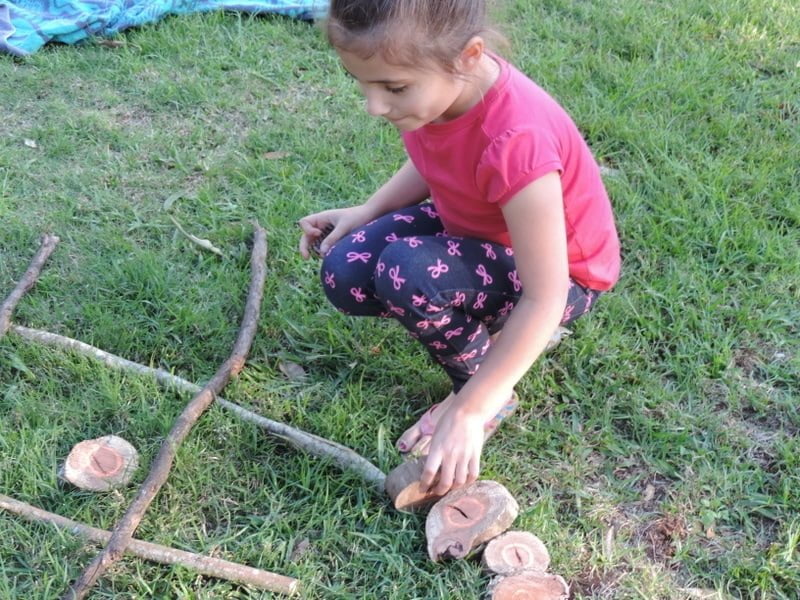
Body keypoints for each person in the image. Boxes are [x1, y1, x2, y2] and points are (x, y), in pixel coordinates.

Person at [298, 0, 621, 496]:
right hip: (477, 234)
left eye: (394, 88)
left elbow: (546, 294)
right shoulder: (445, 89)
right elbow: (435, 158)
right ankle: (492, 340)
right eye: (359, 82)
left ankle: (489, 388)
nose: (374, 106)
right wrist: (368, 210)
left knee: (408, 271)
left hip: (565, 279)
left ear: (469, 56)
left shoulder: (519, 139)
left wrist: (471, 408)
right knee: (346, 270)